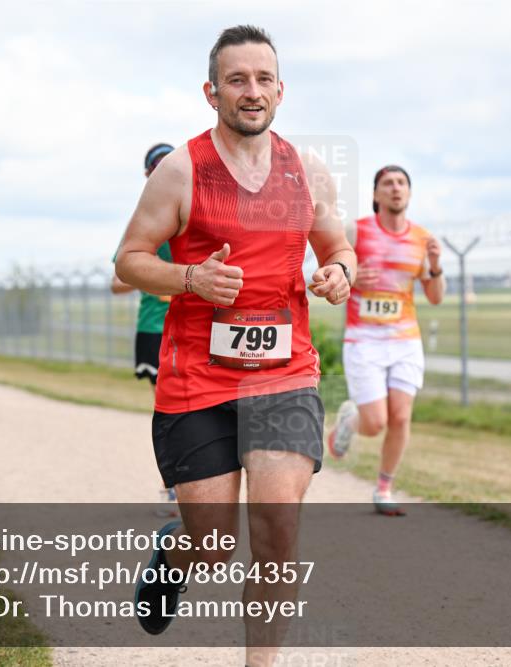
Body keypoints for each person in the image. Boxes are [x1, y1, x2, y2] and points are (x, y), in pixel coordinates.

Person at [115, 25, 355, 666]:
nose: (252, 91)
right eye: (237, 80)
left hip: (285, 374)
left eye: (264, 79)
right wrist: (190, 277)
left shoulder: (308, 172)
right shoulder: (179, 170)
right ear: (212, 91)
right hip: (198, 379)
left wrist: (339, 273)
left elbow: (338, 247)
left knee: (276, 529)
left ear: (281, 89)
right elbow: (130, 261)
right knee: (215, 543)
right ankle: (177, 552)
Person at [326, 165, 446, 516]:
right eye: (388, 184)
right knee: (375, 421)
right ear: (376, 194)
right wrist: (353, 274)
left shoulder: (422, 239)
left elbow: (436, 297)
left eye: (402, 183)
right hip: (364, 339)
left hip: (406, 339)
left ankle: (384, 487)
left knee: (401, 417)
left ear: (409, 193)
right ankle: (350, 421)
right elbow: (327, 270)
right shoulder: (356, 231)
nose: (396, 189)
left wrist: (436, 266)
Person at [111, 142, 179, 517]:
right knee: (169, 408)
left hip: (196, 325)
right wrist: (152, 273)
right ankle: (171, 486)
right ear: (147, 175)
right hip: (155, 327)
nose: (164, 170)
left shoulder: (193, 211)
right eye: (157, 166)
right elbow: (117, 281)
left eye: (170, 164)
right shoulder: (143, 221)